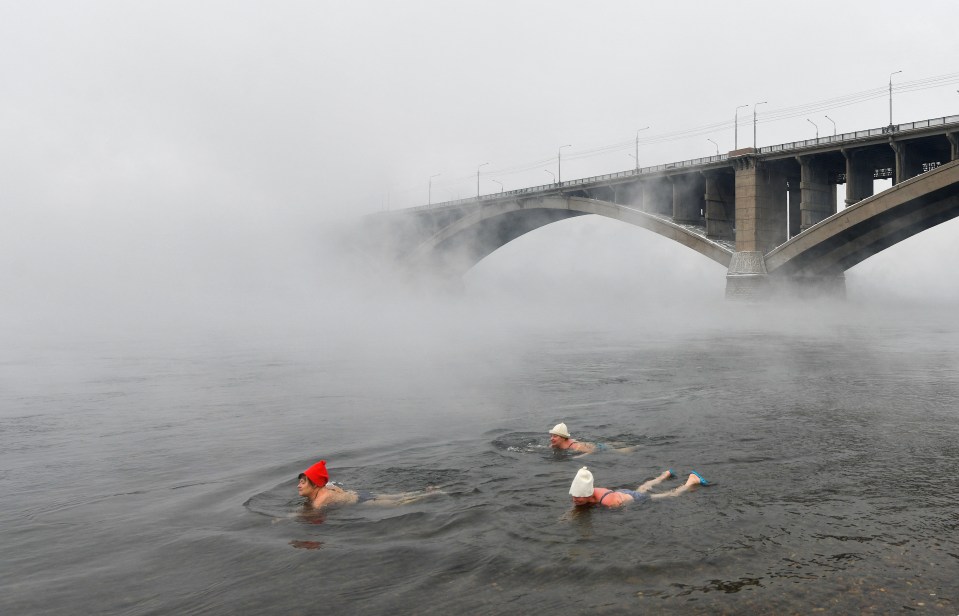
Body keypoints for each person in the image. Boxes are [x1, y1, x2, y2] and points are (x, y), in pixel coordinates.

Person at [297, 460, 439, 510]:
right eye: (299, 482)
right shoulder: (326, 488)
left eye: (303, 482)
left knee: (398, 503)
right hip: (359, 494)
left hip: (362, 501)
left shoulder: (321, 499)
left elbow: (310, 513)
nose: (299, 485)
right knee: (397, 496)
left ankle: (428, 495)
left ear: (315, 484)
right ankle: (425, 491)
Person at [568, 466, 710, 508]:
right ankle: (665, 475)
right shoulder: (586, 493)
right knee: (642, 487)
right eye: (573, 495)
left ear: (587, 494)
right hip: (622, 493)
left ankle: (692, 481)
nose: (575, 499)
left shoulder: (607, 501)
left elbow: (624, 509)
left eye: (578, 497)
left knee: (669, 495)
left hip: (632, 499)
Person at [548, 422, 634, 455]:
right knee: (614, 444)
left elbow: (591, 452)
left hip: (599, 447)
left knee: (618, 451)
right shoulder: (554, 445)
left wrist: (578, 457)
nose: (552, 438)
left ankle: (635, 447)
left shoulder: (575, 447)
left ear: (563, 438)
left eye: (555, 436)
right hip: (592, 444)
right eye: (551, 435)